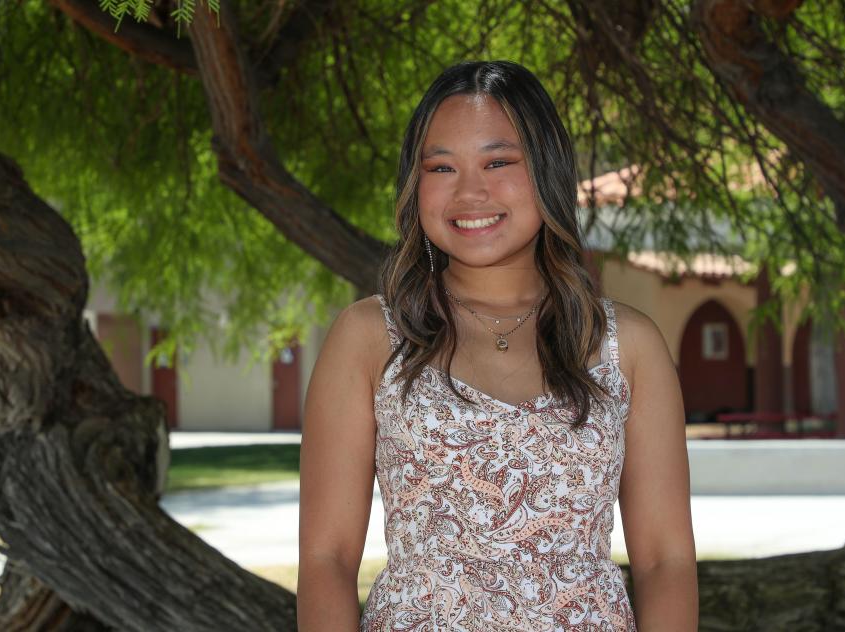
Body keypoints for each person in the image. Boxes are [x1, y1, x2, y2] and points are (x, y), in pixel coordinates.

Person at [297, 60, 697, 631]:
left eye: (498, 161)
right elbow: (326, 559)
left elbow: (666, 560)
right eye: (441, 167)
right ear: (416, 186)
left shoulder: (625, 345)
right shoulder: (369, 338)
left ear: (547, 171)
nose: (470, 192)